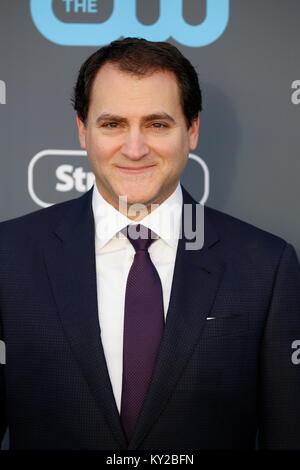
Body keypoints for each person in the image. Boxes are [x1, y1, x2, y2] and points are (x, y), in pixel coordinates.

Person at [0, 37, 300, 451]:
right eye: (113, 124)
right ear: (82, 131)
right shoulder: (9, 256)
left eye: (157, 124)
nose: (135, 148)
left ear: (192, 130)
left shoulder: (266, 266)